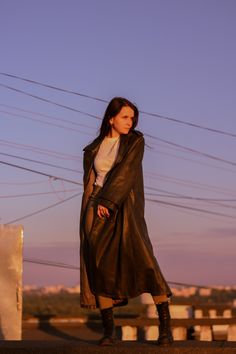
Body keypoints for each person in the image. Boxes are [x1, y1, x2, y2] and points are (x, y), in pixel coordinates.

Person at [79, 97, 173, 346]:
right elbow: (91, 182)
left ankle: (165, 328)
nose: (130, 122)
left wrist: (108, 202)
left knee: (145, 261)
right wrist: (97, 204)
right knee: (97, 264)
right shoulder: (93, 148)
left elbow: (126, 173)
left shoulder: (134, 141)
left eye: (132, 117)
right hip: (95, 206)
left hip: (123, 207)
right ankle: (108, 331)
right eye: (125, 117)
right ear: (111, 118)